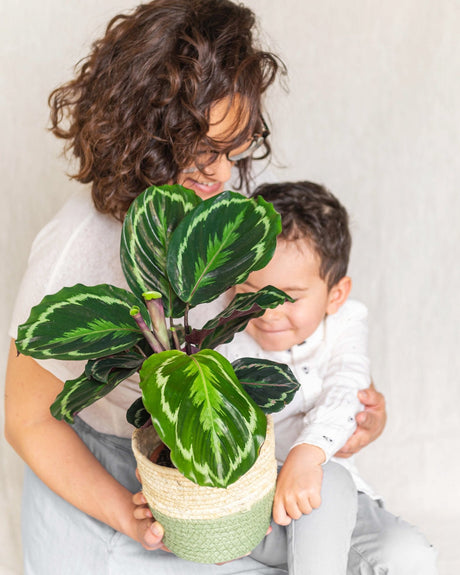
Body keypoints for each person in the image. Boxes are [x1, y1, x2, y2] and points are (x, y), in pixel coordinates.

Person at [4, 1, 385, 573]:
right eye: (202, 149)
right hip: (109, 486)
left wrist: (344, 410)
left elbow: (266, 319)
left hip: (194, 472)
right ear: (138, 130)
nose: (224, 173)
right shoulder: (77, 246)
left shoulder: (210, 203)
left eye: (233, 149)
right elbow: (27, 417)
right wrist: (124, 513)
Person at [217, 181, 438, 574]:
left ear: (335, 296)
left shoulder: (346, 322)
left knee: (411, 555)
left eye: (288, 297)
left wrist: (307, 455)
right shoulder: (223, 331)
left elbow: (347, 389)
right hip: (254, 507)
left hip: (325, 502)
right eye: (248, 292)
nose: (267, 312)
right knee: (328, 477)